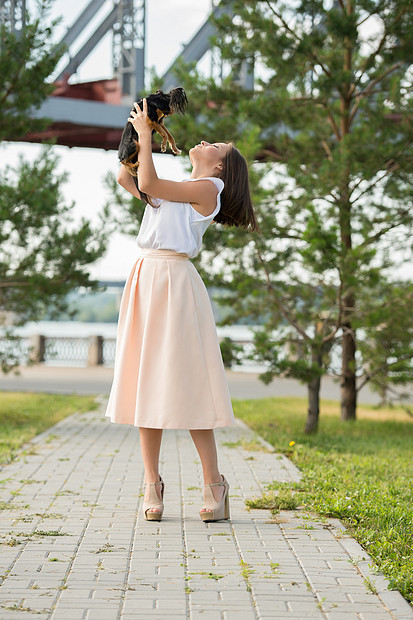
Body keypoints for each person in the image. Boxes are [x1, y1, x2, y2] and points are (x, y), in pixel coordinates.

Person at [105, 98, 259, 523]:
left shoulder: (209, 191)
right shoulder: (177, 185)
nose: (207, 141)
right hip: (146, 279)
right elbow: (128, 177)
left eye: (218, 146)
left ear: (220, 169)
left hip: (175, 282)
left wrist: (148, 136)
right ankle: (151, 483)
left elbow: (150, 185)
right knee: (145, 383)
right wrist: (137, 132)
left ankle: (214, 483)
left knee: (188, 385)